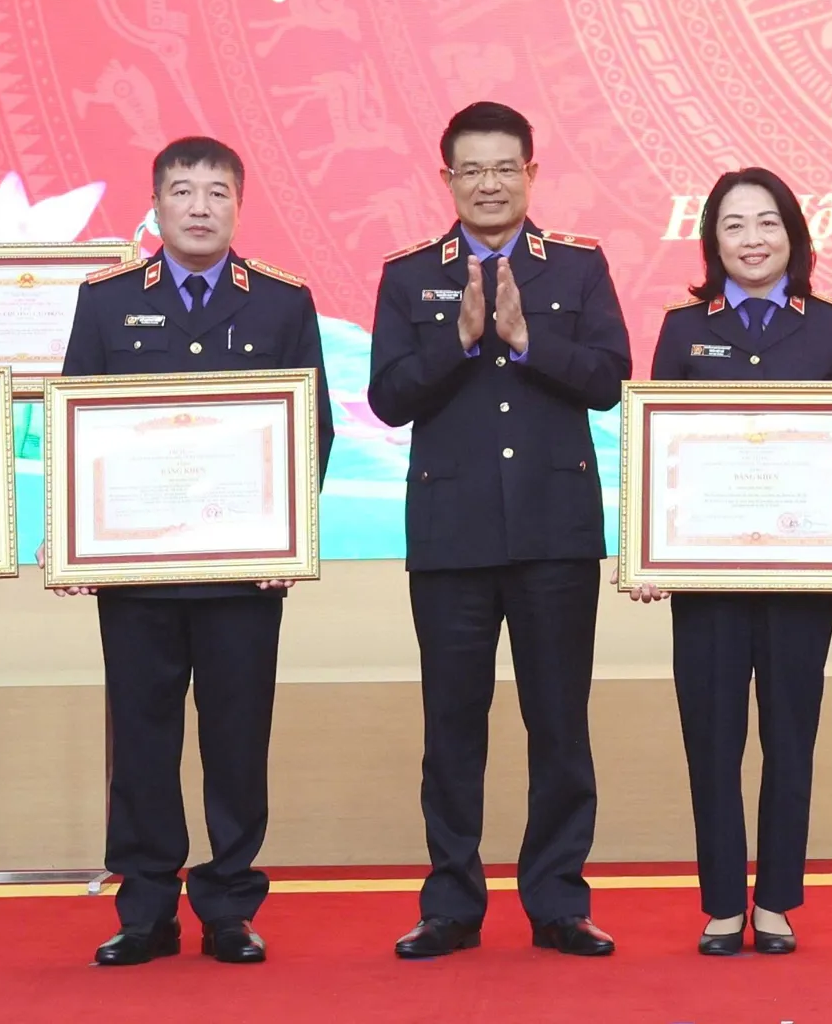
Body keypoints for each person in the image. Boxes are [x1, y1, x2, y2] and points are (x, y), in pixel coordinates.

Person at [54, 136, 333, 968]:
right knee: (142, 743)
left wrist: (287, 534)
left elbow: (312, 428)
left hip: (243, 574)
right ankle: (144, 909)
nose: (200, 207)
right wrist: (76, 539)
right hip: (137, 575)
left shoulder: (282, 302)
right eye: (182, 191)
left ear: (239, 205)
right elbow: (77, 424)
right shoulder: (106, 301)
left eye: (217, 192)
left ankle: (229, 906)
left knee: (236, 742)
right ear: (156, 205)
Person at [367, 100, 631, 959]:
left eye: (504, 167)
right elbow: (388, 399)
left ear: (532, 174)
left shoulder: (578, 267)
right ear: (447, 179)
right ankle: (451, 904)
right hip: (452, 538)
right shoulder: (410, 275)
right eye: (472, 170)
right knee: (452, 728)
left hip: (556, 534)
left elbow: (610, 381)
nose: (489, 184)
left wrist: (523, 341)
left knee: (560, 727)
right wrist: (459, 341)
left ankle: (558, 902)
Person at [630, 168, 832, 956]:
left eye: (767, 222)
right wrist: (650, 551)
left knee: (790, 738)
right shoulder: (683, 329)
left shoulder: (831, 328)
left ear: (793, 234)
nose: (752, 239)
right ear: (713, 240)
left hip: (802, 577)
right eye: (733, 224)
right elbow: (660, 452)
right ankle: (720, 904)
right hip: (706, 579)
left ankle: (774, 900)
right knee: (711, 740)